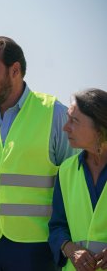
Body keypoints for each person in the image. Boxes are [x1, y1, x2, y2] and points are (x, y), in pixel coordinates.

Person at [0, 36, 76, 270]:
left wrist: (65, 240)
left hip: (37, 245)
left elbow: (74, 181)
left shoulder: (54, 113)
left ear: (15, 70)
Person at [49, 88, 107, 271]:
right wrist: (70, 249)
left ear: (99, 127)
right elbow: (57, 226)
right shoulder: (66, 170)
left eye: (74, 120)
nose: (65, 127)